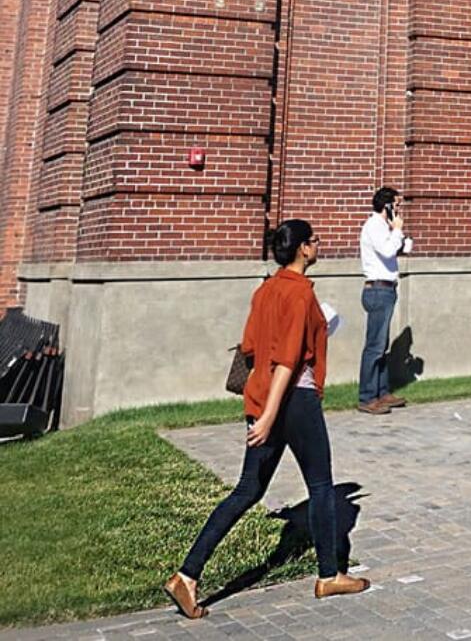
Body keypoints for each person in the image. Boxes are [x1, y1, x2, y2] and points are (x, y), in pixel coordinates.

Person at [164, 221, 370, 619]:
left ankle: (187, 577)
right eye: (315, 241)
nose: (319, 245)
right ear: (304, 249)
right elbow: (288, 361)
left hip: (262, 397)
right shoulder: (299, 294)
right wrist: (270, 416)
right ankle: (329, 575)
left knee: (247, 491)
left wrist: (260, 411)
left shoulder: (264, 290)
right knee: (322, 485)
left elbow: (251, 348)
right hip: (294, 400)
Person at [358, 185, 413, 414]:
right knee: (374, 346)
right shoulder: (374, 225)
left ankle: (381, 391)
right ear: (387, 205)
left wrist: (399, 233)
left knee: (382, 345)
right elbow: (388, 251)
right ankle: (367, 396)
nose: (399, 210)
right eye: (396, 205)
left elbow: (405, 248)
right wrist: (397, 231)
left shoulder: (385, 227)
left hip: (387, 288)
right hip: (378, 290)